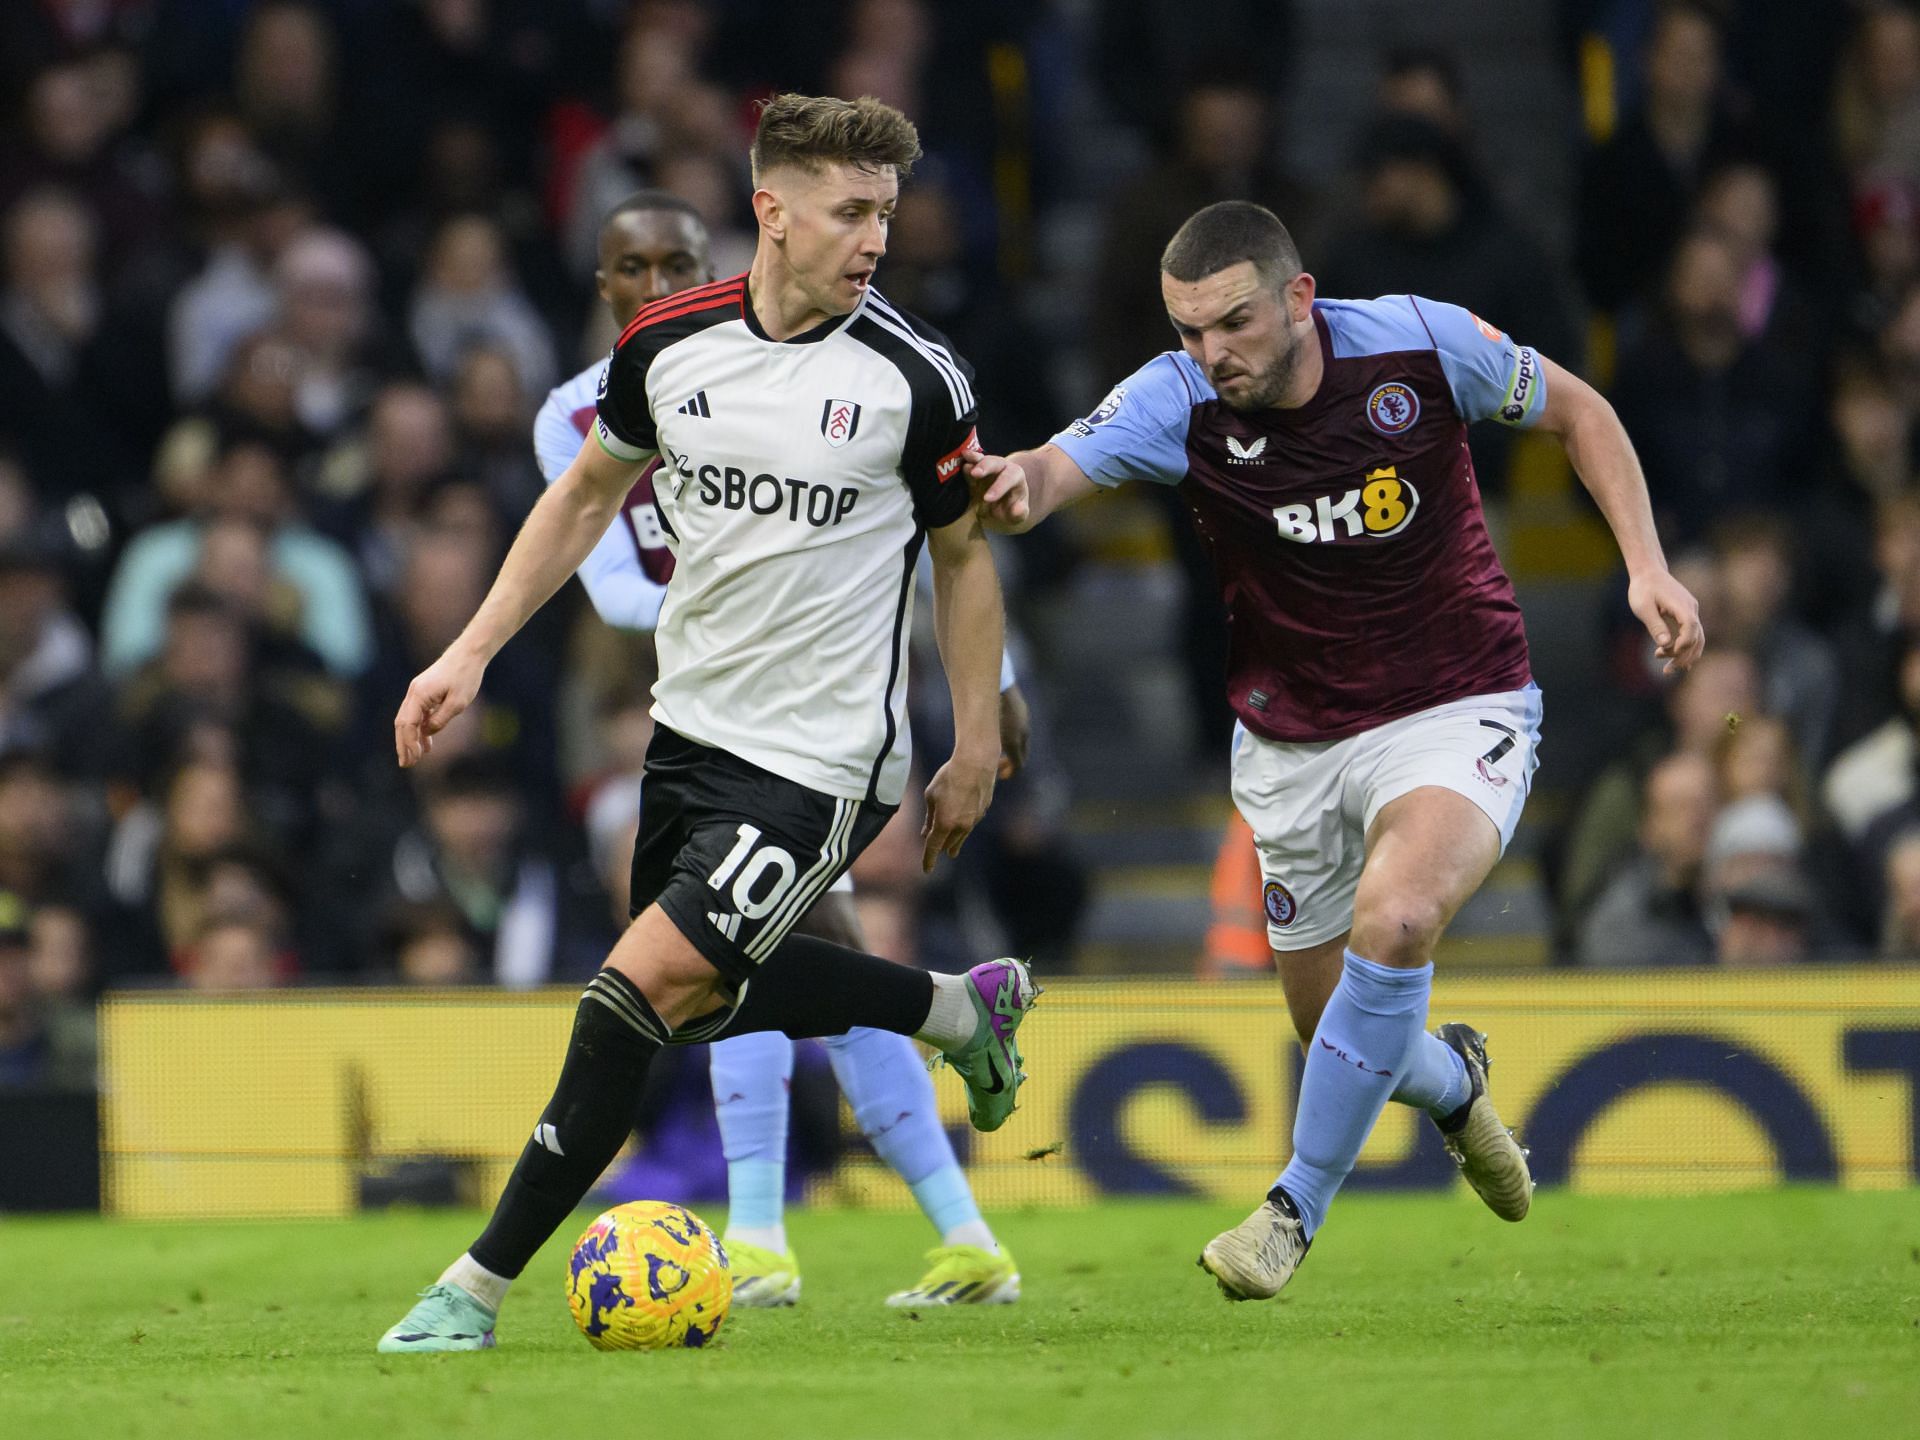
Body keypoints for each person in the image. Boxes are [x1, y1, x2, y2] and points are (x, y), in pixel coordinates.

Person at [377, 94, 1035, 1353]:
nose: (874, 241)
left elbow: (962, 562)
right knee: (706, 1000)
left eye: (885, 215)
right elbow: (581, 501)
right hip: (692, 734)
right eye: (851, 213)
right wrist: (467, 651)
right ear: (770, 212)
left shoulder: (913, 375)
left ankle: (472, 1286)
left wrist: (971, 741)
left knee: (634, 990)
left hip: (828, 757)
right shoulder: (669, 346)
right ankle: (958, 1012)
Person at [972, 201, 1704, 1300]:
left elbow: (1582, 413)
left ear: (1299, 298)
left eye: (1231, 324)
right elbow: (1051, 471)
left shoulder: (1421, 341)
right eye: (1187, 331)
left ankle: (1290, 1211)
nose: (1210, 354)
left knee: (1399, 919)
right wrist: (1010, 487)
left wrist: (1644, 565)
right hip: (1292, 740)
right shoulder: (1175, 400)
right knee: (1340, 1035)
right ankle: (1452, 1082)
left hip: (1460, 702)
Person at [530, 189, 1028, 1308]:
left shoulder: (823, 370)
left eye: (675, 263)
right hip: (692, 719)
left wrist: (994, 687)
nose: (656, 287)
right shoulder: (581, 413)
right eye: (631, 269)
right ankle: (951, 1223)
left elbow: (918, 540)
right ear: (602, 286)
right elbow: (608, 584)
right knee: (760, 962)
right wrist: (735, 605)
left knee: (728, 956)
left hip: (810, 729)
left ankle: (770, 1233)